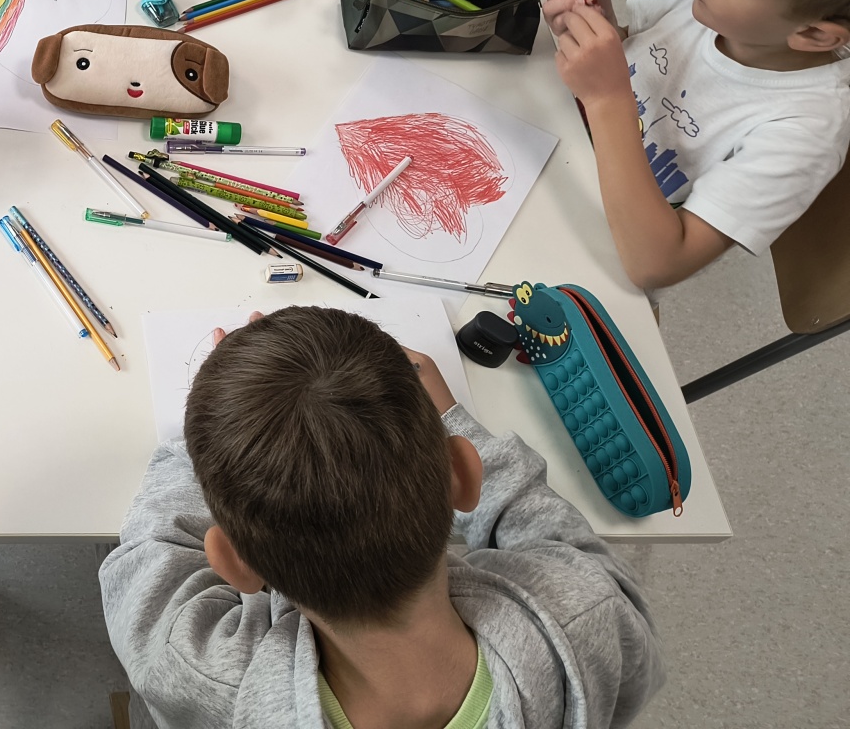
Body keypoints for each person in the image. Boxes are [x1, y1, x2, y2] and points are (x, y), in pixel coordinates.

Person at [100, 307, 664, 729]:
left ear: (235, 564)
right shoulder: (583, 622)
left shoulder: (206, 672)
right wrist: (453, 420)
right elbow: (572, 552)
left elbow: (151, 555)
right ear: (463, 475)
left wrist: (222, 426)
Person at [545, 0, 850, 292]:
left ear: (814, 35)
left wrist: (607, 97)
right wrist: (604, 32)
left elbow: (657, 264)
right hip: (556, 154)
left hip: (600, 248)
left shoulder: (806, 131)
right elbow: (642, 51)